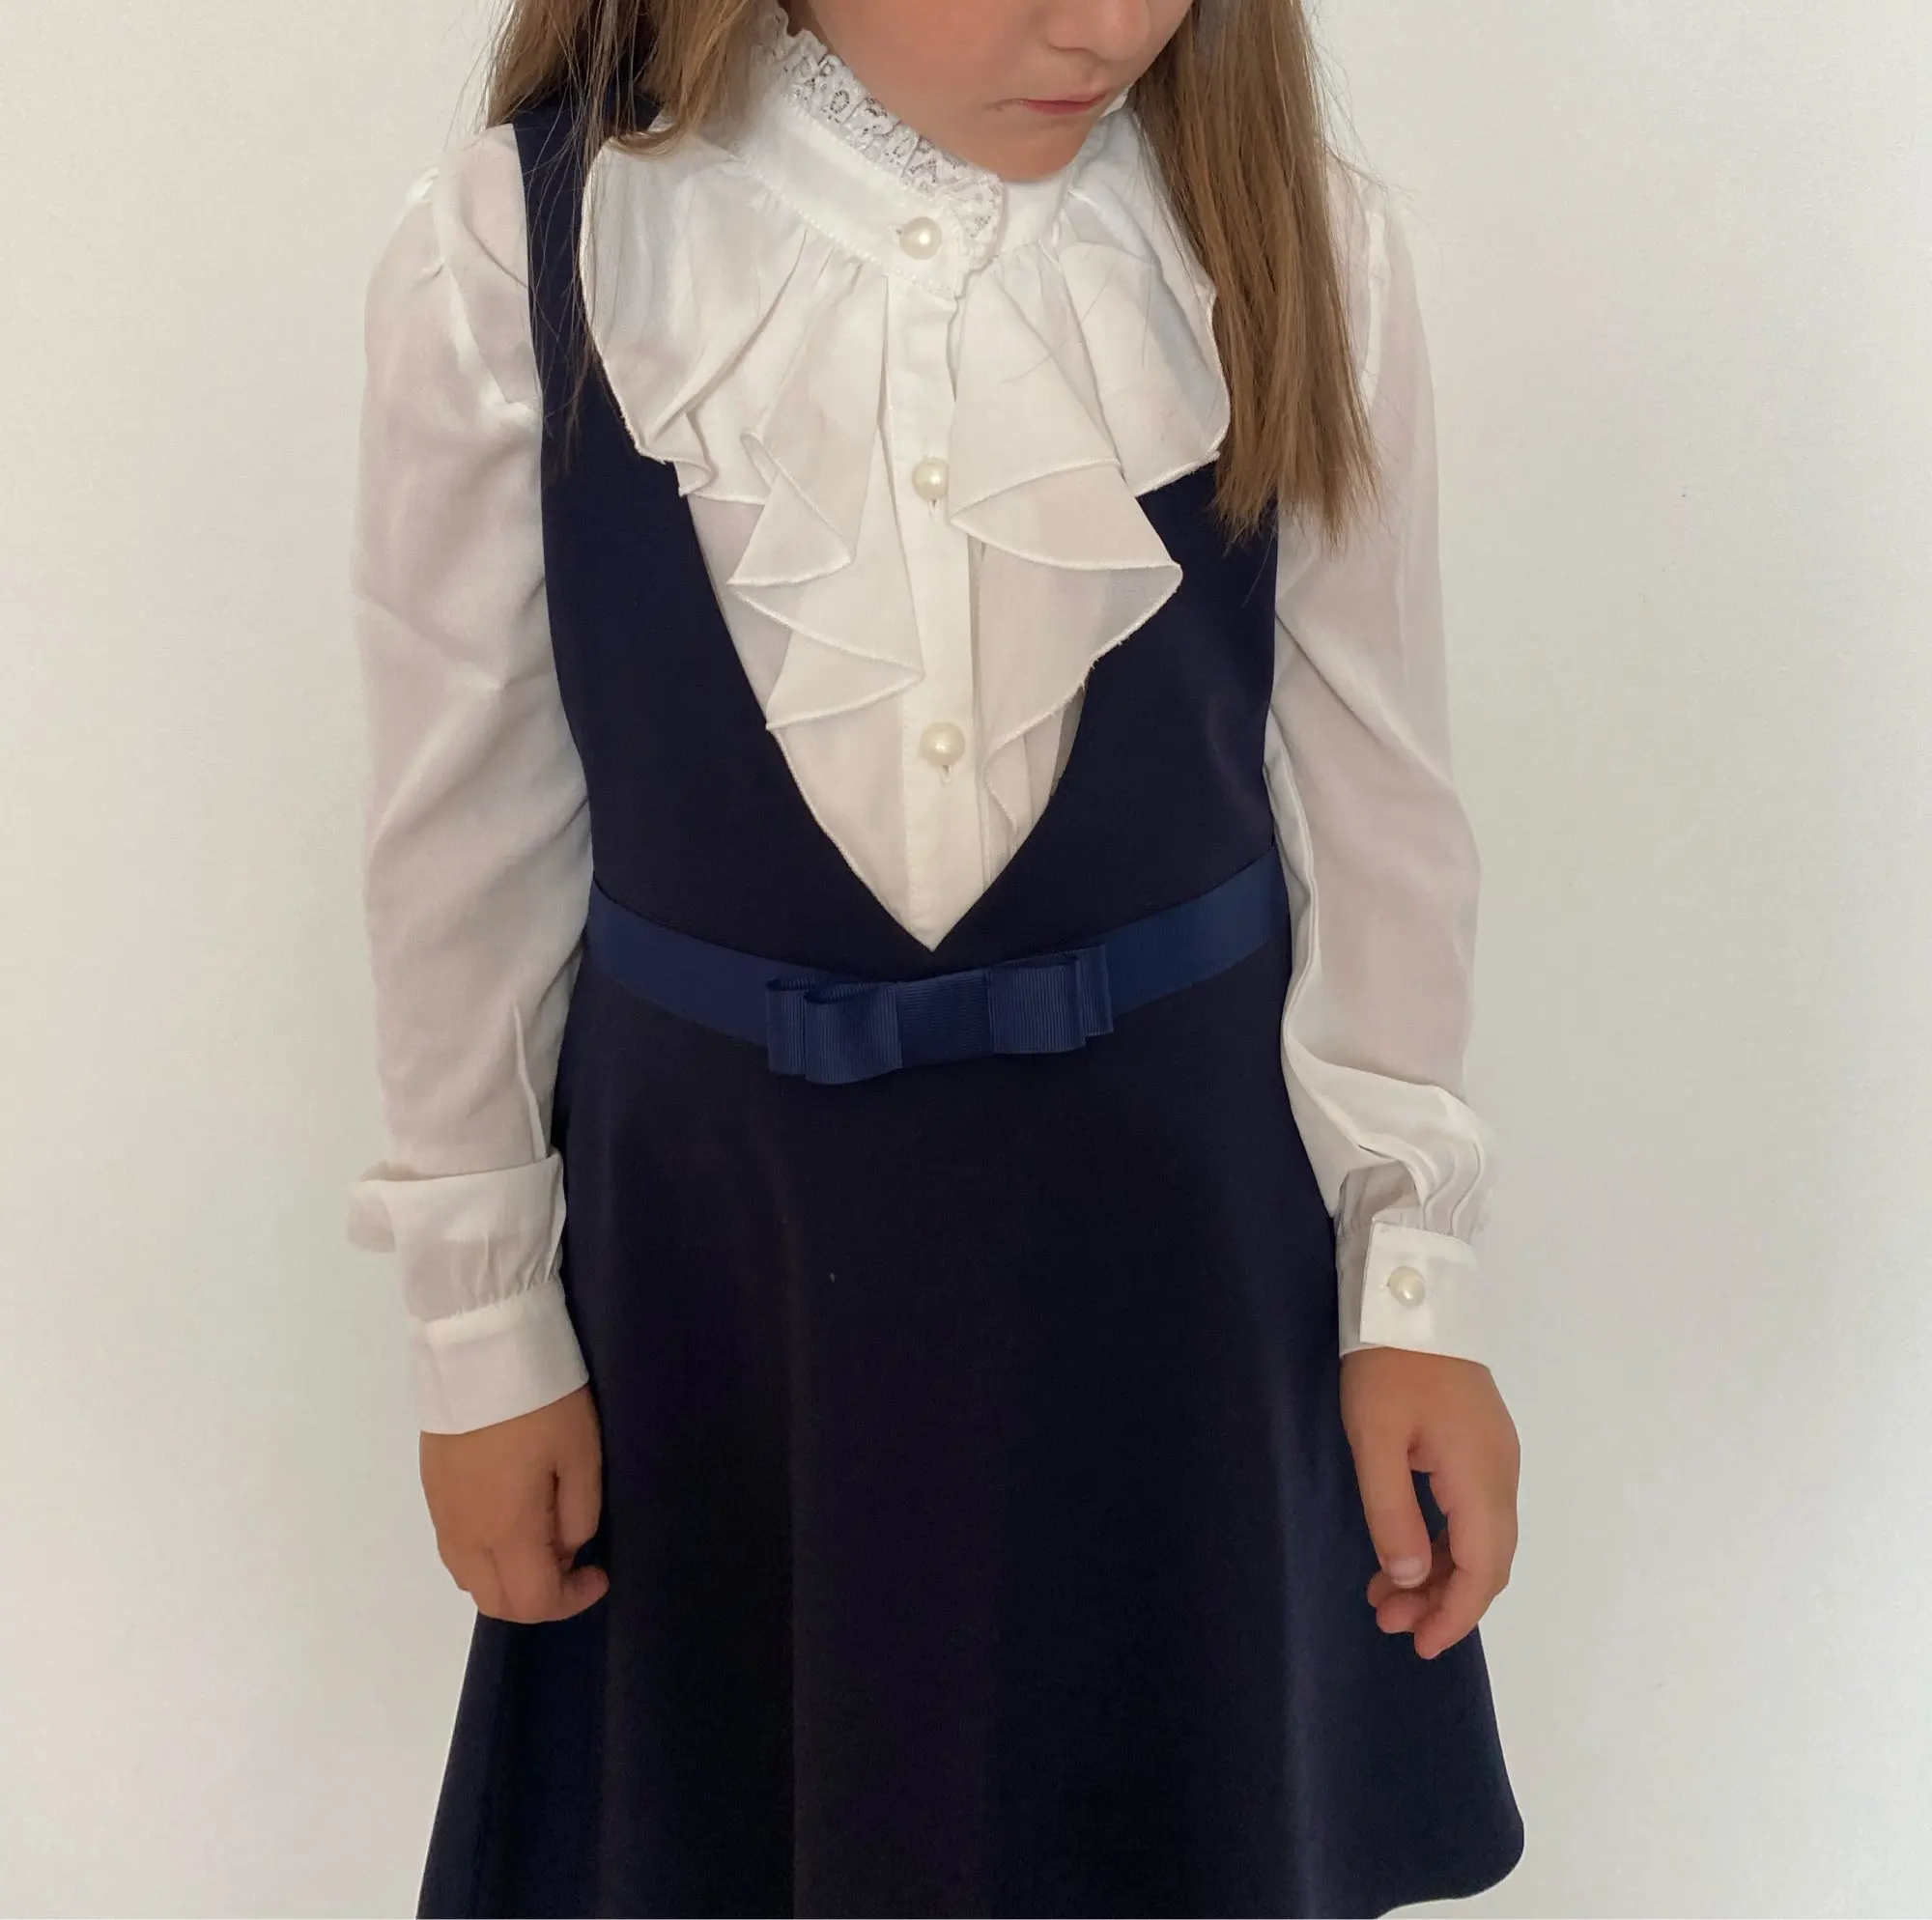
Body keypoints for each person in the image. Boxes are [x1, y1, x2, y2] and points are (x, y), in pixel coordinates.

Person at [345, 0, 1527, 1911]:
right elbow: (461, 839)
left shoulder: (1292, 237)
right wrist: (481, 1335)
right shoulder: (522, 249)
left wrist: (1414, 1287)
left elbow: (1378, 795)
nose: (1107, 23)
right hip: (719, 1284)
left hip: (1179, 1277)